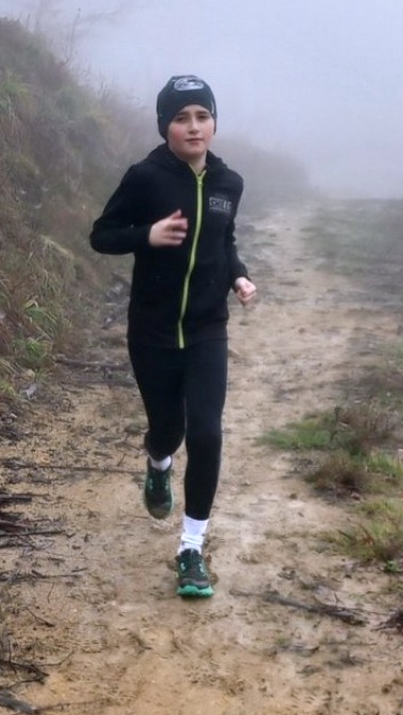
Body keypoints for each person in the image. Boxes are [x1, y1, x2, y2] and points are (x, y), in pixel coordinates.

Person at [89, 74, 257, 598]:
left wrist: (238, 275)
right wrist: (148, 235)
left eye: (202, 116)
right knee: (169, 430)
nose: (193, 126)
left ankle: (191, 548)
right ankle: (158, 462)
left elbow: (223, 241)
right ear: (165, 126)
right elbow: (102, 235)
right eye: (181, 118)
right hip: (153, 331)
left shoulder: (229, 184)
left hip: (208, 329)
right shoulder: (145, 178)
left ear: (214, 123)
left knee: (206, 432)